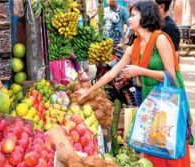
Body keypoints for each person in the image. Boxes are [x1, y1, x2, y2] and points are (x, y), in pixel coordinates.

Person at [78, 1, 191, 166]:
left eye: (132, 15)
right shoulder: (133, 47)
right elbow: (112, 73)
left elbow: (170, 75)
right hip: (150, 101)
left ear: (144, 17)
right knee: (153, 145)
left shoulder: (160, 39)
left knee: (170, 143)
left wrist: (141, 71)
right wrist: (89, 91)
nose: (128, 19)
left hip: (168, 101)